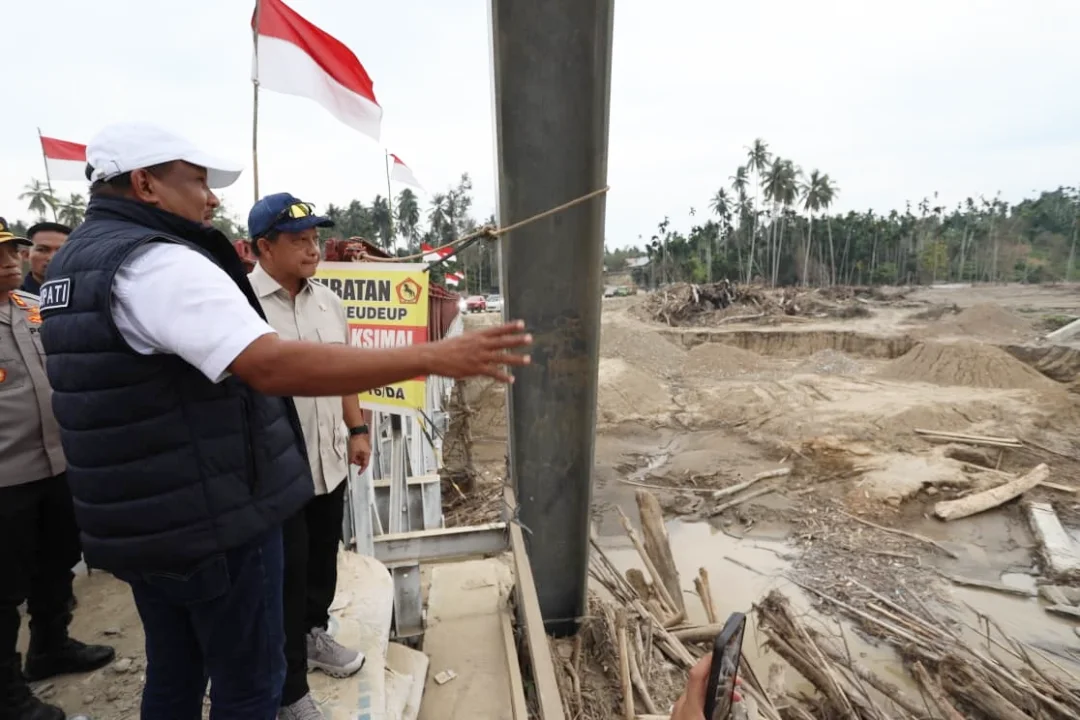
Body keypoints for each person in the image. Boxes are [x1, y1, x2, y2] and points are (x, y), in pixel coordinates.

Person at [38, 122, 531, 720]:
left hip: (151, 512)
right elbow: (268, 366)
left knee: (177, 668)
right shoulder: (156, 264)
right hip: (210, 513)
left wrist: (356, 427)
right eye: (197, 180)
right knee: (251, 682)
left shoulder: (79, 261)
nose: (212, 197)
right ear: (145, 183)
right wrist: (432, 355)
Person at [246, 193, 371, 719]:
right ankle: (289, 689)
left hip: (330, 459)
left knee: (322, 559)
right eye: (298, 241)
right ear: (263, 247)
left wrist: (357, 428)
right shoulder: (242, 305)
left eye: (315, 239)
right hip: (278, 470)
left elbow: (343, 373)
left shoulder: (328, 302)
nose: (312, 249)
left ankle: (314, 636)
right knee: (284, 576)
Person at [0, 218, 114, 720]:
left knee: (57, 562)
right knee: (3, 590)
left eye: (12, 253)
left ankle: (51, 645)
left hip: (57, 464)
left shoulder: (33, 308)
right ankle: (6, 694)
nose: (10, 262)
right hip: (5, 480)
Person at [19, 222, 70, 295]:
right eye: (42, 250)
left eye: (61, 250)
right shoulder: (12, 299)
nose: (52, 258)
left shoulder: (85, 295)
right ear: (26, 255)